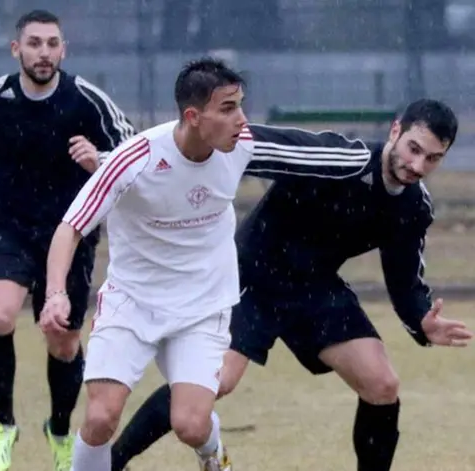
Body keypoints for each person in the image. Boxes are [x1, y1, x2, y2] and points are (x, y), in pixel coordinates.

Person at [39, 57, 374, 471]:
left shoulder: (243, 144)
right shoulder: (136, 159)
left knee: (190, 425)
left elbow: (312, 152)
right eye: (229, 108)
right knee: (101, 417)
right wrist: (55, 294)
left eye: (241, 105)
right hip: (132, 302)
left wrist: (381, 159)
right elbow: (70, 227)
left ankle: (213, 454)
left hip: (202, 306)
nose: (241, 119)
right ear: (194, 116)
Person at [109, 98, 473, 471]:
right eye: (414, 149)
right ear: (395, 130)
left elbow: (403, 277)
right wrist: (182, 147)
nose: (417, 165)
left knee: (382, 385)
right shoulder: (337, 159)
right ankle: (110, 461)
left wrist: (421, 320)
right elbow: (257, 145)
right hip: (251, 275)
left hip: (315, 288)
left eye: (432, 158)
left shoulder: (412, 207)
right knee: (211, 385)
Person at [0, 9, 134, 471]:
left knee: (64, 343)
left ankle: (57, 429)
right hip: (8, 229)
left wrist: (101, 157)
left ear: (63, 50)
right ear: (17, 49)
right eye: (34, 43)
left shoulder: (87, 101)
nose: (43, 52)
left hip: (70, 234)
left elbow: (134, 151)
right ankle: (3, 425)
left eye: (52, 44)